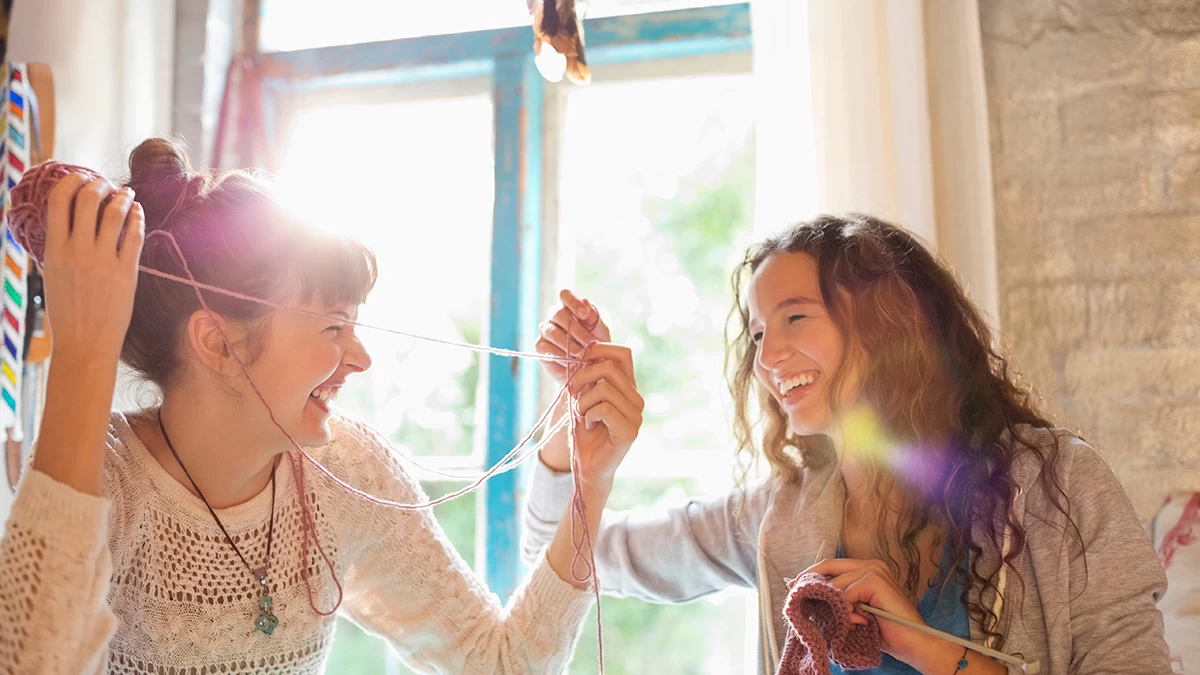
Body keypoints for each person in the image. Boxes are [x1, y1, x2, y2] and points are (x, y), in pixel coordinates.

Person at [0, 137, 644, 674]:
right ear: (217, 342)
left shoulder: (348, 472)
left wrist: (590, 480)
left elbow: (502, 663)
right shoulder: (103, 478)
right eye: (334, 327)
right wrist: (84, 350)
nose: (361, 359)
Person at [523, 214, 1170, 674]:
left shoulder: (1060, 486)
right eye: (758, 333)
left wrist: (922, 645)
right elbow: (556, 560)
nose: (767, 357)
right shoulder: (777, 517)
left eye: (795, 317)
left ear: (890, 322)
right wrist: (579, 445)